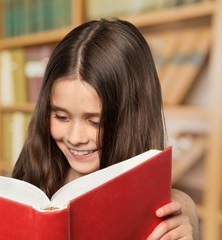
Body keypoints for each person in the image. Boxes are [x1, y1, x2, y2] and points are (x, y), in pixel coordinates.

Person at [12, 18, 199, 239]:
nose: (75, 138)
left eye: (95, 122)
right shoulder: (30, 186)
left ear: (133, 118)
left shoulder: (174, 212)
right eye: (61, 117)